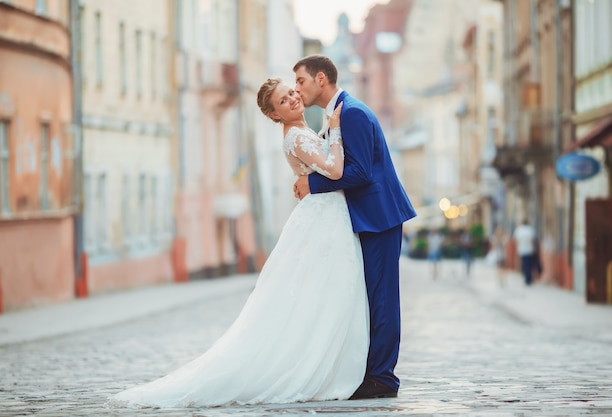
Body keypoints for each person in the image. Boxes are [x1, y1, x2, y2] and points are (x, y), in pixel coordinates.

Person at [106, 78, 369, 408]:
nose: (293, 99)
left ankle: (332, 361)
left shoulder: (302, 133)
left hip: (325, 214)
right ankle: (318, 365)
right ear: (275, 115)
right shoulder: (297, 137)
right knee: (326, 290)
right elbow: (334, 168)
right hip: (324, 217)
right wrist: (336, 129)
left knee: (325, 290)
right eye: (283, 101)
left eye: (291, 92)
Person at [292, 55, 416, 400]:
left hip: (379, 217)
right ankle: (369, 372)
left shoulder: (353, 113)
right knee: (368, 297)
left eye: (300, 81)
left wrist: (312, 185)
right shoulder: (340, 112)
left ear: (320, 79)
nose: (297, 89)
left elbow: (360, 173)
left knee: (382, 299)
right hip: (366, 218)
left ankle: (382, 379)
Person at [513, 219, 542, 286]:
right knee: (530, 265)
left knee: (525, 265)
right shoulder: (530, 230)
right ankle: (529, 278)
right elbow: (534, 240)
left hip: (523, 250)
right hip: (530, 250)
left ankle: (527, 279)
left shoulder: (519, 230)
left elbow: (516, 241)